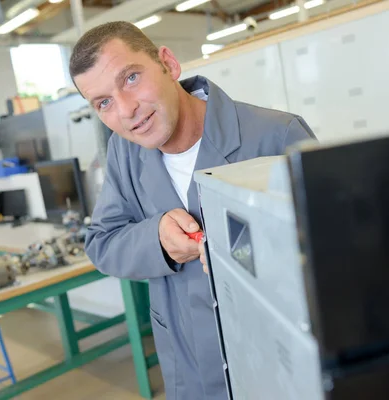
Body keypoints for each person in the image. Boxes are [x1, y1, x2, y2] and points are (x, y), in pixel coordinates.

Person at [70, 21, 316, 400]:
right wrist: (157, 239)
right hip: (189, 373)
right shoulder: (125, 151)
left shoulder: (275, 136)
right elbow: (102, 242)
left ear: (168, 64)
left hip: (271, 370)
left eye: (131, 78)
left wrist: (245, 255)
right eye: (103, 102)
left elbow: (332, 260)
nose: (127, 110)